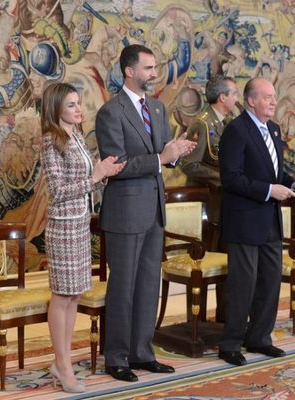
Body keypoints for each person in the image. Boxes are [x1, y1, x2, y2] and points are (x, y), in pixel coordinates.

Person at [95, 44, 196, 382]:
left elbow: (164, 154)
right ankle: (117, 358)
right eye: (149, 68)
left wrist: (177, 152)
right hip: (124, 212)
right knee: (123, 287)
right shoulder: (111, 112)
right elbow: (116, 165)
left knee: (149, 284)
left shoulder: (156, 107)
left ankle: (143, 352)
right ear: (129, 71)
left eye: (155, 68)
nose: (154, 74)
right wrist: (162, 158)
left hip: (154, 210)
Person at [40, 82, 125, 392]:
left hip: (79, 225)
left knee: (74, 294)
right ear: (56, 109)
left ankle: (63, 360)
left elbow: (87, 184)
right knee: (62, 297)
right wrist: (95, 177)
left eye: (79, 103)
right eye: (72, 105)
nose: (79, 109)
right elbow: (57, 193)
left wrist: (105, 175)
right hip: (62, 228)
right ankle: (62, 364)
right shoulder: (51, 141)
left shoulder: (75, 136)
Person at [218, 77, 295, 366]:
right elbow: (231, 178)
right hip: (245, 221)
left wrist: (290, 183)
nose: (274, 102)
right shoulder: (236, 131)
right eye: (267, 97)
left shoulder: (273, 130)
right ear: (251, 101)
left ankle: (259, 338)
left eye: (274, 96)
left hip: (271, 221)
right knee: (243, 285)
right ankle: (230, 344)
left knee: (270, 281)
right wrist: (268, 191)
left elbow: (276, 175)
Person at [181, 75, 239, 322]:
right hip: (207, 207)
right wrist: (223, 178)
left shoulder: (230, 122)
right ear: (223, 97)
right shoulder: (201, 124)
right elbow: (189, 164)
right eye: (234, 93)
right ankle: (197, 321)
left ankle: (225, 318)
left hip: (227, 205)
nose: (237, 98)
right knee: (202, 265)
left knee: (228, 262)